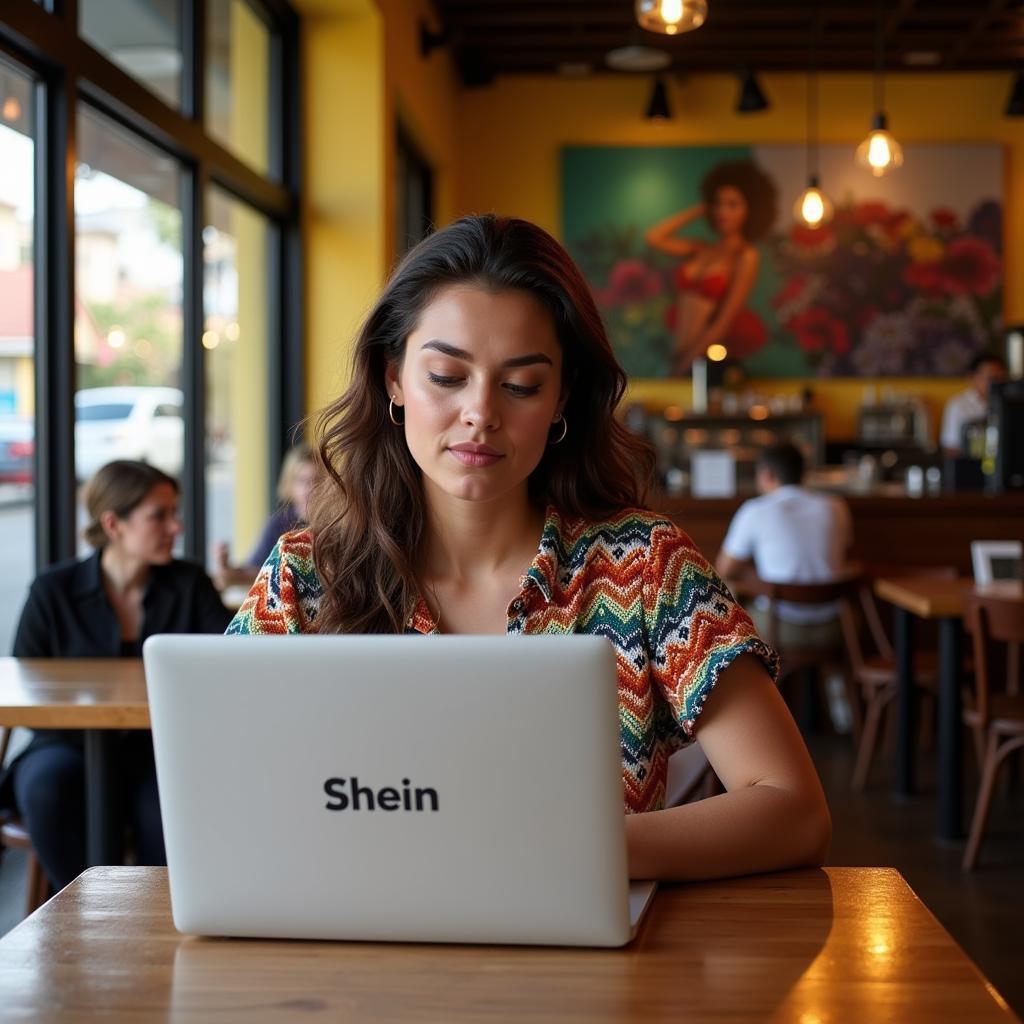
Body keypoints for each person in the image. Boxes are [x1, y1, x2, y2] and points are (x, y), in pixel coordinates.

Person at [228, 214, 831, 882]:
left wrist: (575, 851)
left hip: (586, 968)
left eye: (520, 385)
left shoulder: (644, 568)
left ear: (562, 397)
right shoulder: (306, 574)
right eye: (447, 377)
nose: (481, 412)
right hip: (347, 957)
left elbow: (793, 808)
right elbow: (225, 794)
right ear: (393, 379)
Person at [1, 460, 231, 891]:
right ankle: (84, 916)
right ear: (114, 524)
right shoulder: (54, 590)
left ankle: (153, 920)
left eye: (174, 512)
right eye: (159, 516)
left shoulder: (189, 583)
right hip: (68, 743)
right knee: (47, 789)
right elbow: (26, 681)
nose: (175, 527)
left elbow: (225, 662)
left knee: (169, 804)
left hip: (160, 745)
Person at [645, 161, 777, 376]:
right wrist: (699, 209)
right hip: (676, 352)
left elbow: (723, 322)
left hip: (702, 361)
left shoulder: (745, 256)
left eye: (732, 205)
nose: (722, 211)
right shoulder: (699, 248)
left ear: (749, 210)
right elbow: (654, 237)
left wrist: (684, 365)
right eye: (717, 203)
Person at [715, 442, 852, 648]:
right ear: (803, 473)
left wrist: (756, 577)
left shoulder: (755, 510)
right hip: (835, 625)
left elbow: (725, 569)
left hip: (780, 627)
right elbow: (845, 552)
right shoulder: (836, 507)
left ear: (766, 475)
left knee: (736, 615)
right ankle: (833, 680)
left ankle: (763, 680)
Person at [213, 444, 317, 590]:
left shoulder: (338, 525)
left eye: (316, 480)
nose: (309, 489)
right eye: (302, 481)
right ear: (289, 485)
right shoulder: (279, 524)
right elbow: (258, 571)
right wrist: (228, 572)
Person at [939, 353, 1007, 455]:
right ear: (972, 377)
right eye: (992, 378)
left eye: (1001, 378)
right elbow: (951, 447)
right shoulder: (958, 405)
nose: (998, 383)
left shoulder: (1008, 403)